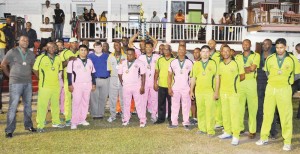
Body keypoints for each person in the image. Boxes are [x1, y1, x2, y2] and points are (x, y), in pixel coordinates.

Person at [256, 38, 300, 151]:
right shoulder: (270, 58)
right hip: (270, 89)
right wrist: (274, 80)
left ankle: (287, 141)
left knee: (285, 116)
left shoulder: (292, 59)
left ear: (286, 47)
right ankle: (264, 137)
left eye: (281, 48)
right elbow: (267, 72)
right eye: (277, 48)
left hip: (285, 89)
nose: (279, 50)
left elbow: (297, 75)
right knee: (267, 114)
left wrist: (287, 81)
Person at [2, 36, 37, 138]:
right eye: (23, 40)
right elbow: (3, 64)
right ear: (18, 42)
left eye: (27, 40)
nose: (25, 42)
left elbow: (34, 68)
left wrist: (40, 77)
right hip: (15, 83)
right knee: (13, 107)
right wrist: (9, 76)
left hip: (28, 83)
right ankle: (9, 130)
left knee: (28, 106)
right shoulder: (12, 52)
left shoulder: (31, 54)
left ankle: (28, 125)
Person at [33, 42, 65, 132]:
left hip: (55, 86)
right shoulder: (41, 57)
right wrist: (42, 78)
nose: (52, 48)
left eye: (54, 47)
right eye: (50, 47)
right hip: (45, 86)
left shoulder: (58, 58)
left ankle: (56, 121)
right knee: (42, 106)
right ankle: (40, 125)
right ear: (46, 48)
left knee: (55, 105)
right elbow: (35, 69)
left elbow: (59, 70)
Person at [217, 45, 245, 145]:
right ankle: (227, 132)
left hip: (233, 93)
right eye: (223, 51)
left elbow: (242, 76)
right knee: (225, 113)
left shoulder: (237, 63)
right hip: (223, 93)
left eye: (227, 51)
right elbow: (219, 78)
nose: (225, 53)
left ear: (231, 52)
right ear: (221, 52)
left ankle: (236, 135)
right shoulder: (220, 64)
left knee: (234, 114)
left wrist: (234, 84)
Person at [190, 45, 219, 136]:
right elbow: (193, 78)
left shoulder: (213, 63)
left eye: (207, 51)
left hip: (210, 91)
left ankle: (210, 130)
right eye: (203, 51)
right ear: (200, 53)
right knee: (201, 111)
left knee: (210, 111)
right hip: (199, 91)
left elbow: (217, 78)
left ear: (209, 53)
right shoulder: (196, 64)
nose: (205, 53)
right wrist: (191, 90)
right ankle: (202, 128)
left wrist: (216, 91)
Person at [235, 39, 260, 139]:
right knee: (239, 107)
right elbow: (237, 69)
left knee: (252, 108)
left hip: (251, 83)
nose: (245, 45)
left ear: (250, 45)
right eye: (243, 44)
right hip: (240, 83)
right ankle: (240, 128)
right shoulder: (237, 56)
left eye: (247, 44)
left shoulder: (256, 55)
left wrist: (242, 69)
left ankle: (252, 130)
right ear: (242, 45)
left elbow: (252, 68)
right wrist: (246, 68)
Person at [67, 45, 96, 129]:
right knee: (76, 103)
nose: (83, 52)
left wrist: (94, 83)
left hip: (88, 84)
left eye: (85, 50)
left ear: (87, 51)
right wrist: (70, 84)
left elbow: (93, 73)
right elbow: (69, 74)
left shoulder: (90, 61)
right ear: (79, 51)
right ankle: (74, 122)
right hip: (77, 84)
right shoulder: (73, 61)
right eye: (81, 50)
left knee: (85, 102)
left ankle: (82, 119)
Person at [118, 48, 146, 127]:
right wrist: (122, 82)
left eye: (131, 54)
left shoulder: (140, 63)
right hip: (126, 86)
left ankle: (142, 120)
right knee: (126, 103)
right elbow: (119, 74)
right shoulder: (123, 63)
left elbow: (143, 75)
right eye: (128, 54)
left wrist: (142, 86)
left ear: (135, 55)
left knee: (139, 104)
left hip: (137, 86)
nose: (129, 56)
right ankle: (126, 119)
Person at [256, 39, 278, 139]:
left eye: (267, 44)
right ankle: (260, 129)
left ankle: (273, 131)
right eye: (264, 44)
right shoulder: (258, 56)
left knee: (270, 109)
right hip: (259, 85)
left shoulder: (274, 57)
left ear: (271, 46)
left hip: (270, 85)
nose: (265, 45)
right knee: (259, 108)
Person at [167, 45, 193, 130]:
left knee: (186, 105)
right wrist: (169, 88)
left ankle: (186, 122)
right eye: (179, 49)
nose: (181, 51)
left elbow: (193, 76)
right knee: (174, 105)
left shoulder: (190, 62)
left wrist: (192, 89)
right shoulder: (173, 62)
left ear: (185, 51)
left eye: (183, 50)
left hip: (186, 87)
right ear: (177, 51)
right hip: (175, 87)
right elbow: (169, 76)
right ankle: (174, 122)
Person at [138, 42, 160, 123]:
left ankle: (154, 114)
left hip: (154, 80)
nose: (148, 49)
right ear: (145, 48)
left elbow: (158, 70)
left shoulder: (157, 57)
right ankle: (143, 117)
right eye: (146, 47)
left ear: (152, 48)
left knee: (155, 98)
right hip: (144, 81)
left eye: (149, 47)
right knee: (143, 99)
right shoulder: (141, 57)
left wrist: (156, 82)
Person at [88, 42, 110, 119]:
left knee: (103, 98)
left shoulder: (107, 56)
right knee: (94, 98)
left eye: (99, 47)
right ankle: (94, 114)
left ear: (102, 47)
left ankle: (100, 114)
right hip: (95, 79)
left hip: (105, 79)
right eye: (96, 47)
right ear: (94, 48)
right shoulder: (89, 56)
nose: (98, 48)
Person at [60, 38, 79, 126]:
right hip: (68, 79)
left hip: (79, 80)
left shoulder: (80, 52)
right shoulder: (64, 53)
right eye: (73, 42)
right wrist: (69, 60)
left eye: (76, 42)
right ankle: (68, 118)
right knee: (68, 99)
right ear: (69, 44)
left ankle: (77, 116)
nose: (74, 44)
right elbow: (61, 64)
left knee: (77, 99)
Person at [154, 44, 174, 124]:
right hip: (161, 85)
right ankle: (160, 119)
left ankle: (171, 118)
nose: (165, 51)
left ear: (170, 51)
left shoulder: (174, 60)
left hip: (171, 85)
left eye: (167, 49)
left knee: (171, 103)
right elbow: (156, 72)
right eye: (164, 49)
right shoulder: (160, 60)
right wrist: (155, 82)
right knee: (161, 103)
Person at [107, 41, 126, 122]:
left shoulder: (125, 56)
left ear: (121, 46)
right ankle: (112, 115)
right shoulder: (110, 56)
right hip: (113, 78)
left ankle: (124, 115)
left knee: (123, 98)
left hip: (123, 79)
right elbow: (109, 70)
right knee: (112, 98)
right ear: (113, 47)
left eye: (118, 45)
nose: (117, 46)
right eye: (115, 45)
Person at [208, 39, 222, 129]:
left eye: (211, 43)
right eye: (208, 43)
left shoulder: (219, 55)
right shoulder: (206, 54)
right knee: (210, 101)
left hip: (217, 79)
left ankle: (219, 121)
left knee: (218, 101)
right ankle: (212, 119)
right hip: (208, 80)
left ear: (215, 45)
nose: (210, 45)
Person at [189, 47, 201, 125]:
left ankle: (199, 117)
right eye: (194, 52)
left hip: (200, 85)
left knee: (198, 103)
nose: (195, 54)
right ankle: (194, 117)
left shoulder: (201, 63)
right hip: (192, 84)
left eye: (197, 52)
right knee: (193, 102)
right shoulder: (190, 62)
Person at [0, 24, 5, 114]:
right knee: (3, 60)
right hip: (1, 47)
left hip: (2, 47)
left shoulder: (2, 31)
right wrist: (4, 43)